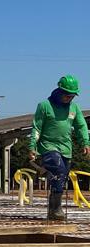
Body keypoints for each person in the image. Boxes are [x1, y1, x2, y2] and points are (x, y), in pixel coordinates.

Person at [28, 75, 90, 222]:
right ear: (59, 91)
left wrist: (85, 142)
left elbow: (81, 126)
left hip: (66, 149)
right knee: (59, 171)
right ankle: (56, 209)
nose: (69, 98)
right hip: (48, 147)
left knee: (60, 179)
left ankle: (53, 210)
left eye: (72, 95)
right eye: (67, 95)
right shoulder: (44, 106)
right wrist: (32, 146)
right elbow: (37, 127)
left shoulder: (74, 108)